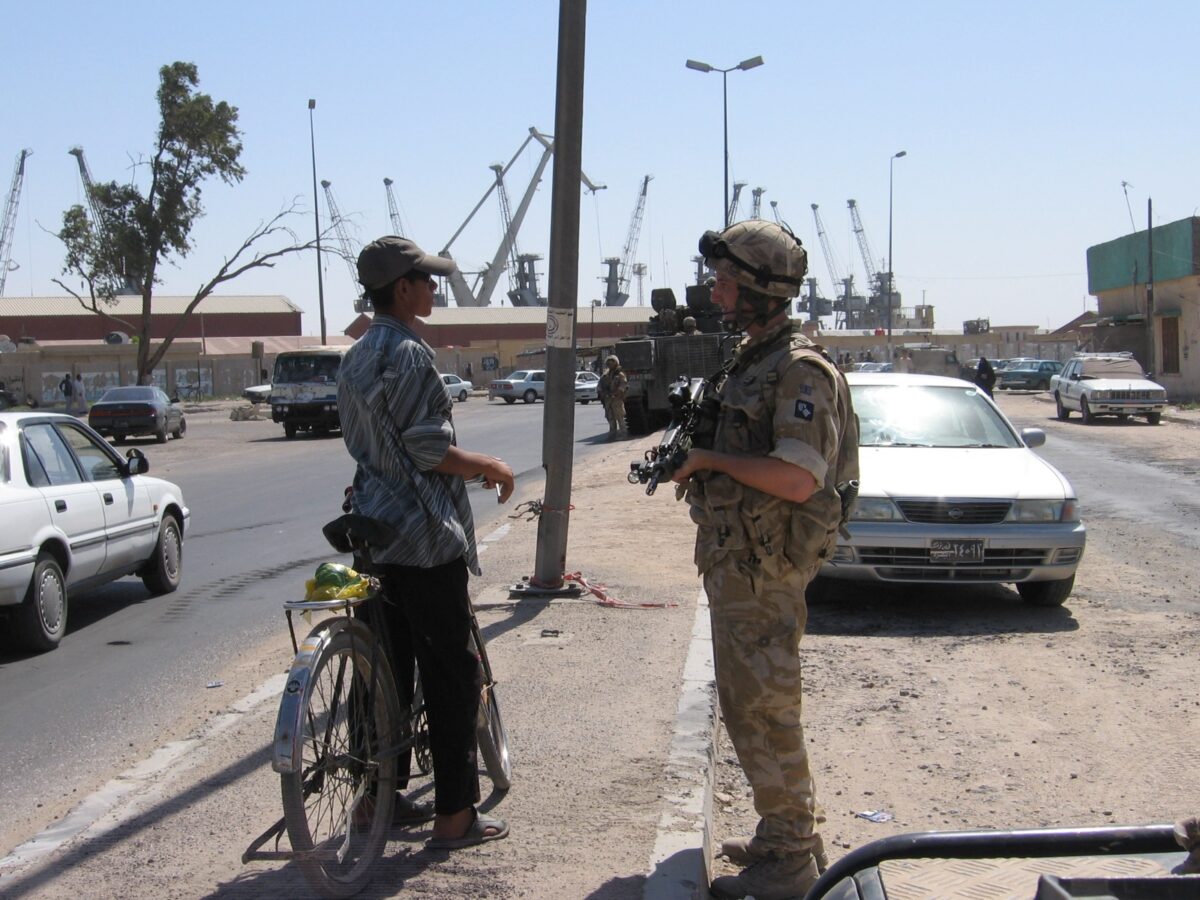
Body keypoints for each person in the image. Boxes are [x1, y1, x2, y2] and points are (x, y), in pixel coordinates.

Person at [670, 220, 859, 900]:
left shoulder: (798, 368)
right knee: (750, 705)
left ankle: (793, 860)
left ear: (758, 289)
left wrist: (711, 459)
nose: (714, 293)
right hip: (738, 563)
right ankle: (785, 835)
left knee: (768, 709)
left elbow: (798, 479)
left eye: (724, 282)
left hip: (766, 570)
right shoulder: (751, 358)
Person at [338, 235, 515, 850]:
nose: (435, 289)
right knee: (450, 674)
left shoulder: (355, 354)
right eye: (427, 280)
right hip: (421, 536)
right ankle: (454, 815)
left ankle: (372, 800)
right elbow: (429, 449)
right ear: (403, 288)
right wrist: (488, 465)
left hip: (372, 531)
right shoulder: (410, 355)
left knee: (381, 671)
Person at [597, 354, 628, 439]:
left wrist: (618, 392)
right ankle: (612, 434)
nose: (610, 364)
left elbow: (623, 384)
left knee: (620, 417)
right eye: (609, 362)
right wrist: (601, 392)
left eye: (612, 362)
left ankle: (623, 434)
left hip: (617, 399)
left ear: (616, 363)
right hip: (608, 399)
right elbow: (600, 385)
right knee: (610, 417)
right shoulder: (605, 375)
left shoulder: (620, 374)